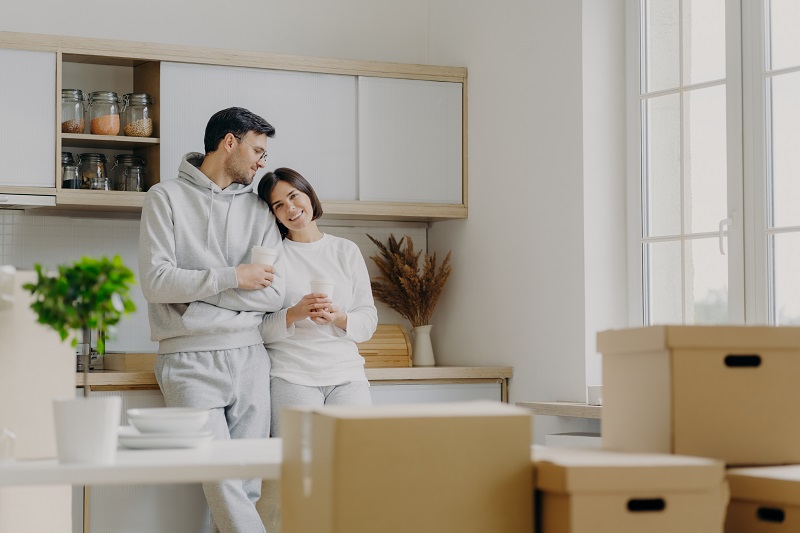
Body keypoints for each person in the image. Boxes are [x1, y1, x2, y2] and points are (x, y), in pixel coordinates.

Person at [138, 107, 284, 533]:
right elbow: (157, 282)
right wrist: (236, 278)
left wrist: (197, 302)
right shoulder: (164, 198)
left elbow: (274, 292)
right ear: (229, 142)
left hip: (251, 359)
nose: (262, 162)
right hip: (189, 361)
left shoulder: (258, 211)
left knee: (247, 486)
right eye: (257, 150)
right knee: (223, 485)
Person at [257, 167, 378, 436]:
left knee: (355, 462)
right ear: (273, 214)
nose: (290, 207)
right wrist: (294, 313)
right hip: (291, 376)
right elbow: (257, 328)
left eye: (294, 196)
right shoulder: (272, 256)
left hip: (347, 375)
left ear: (309, 196)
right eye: (279, 205)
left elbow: (368, 318)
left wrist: (339, 317)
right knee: (299, 468)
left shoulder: (345, 250)